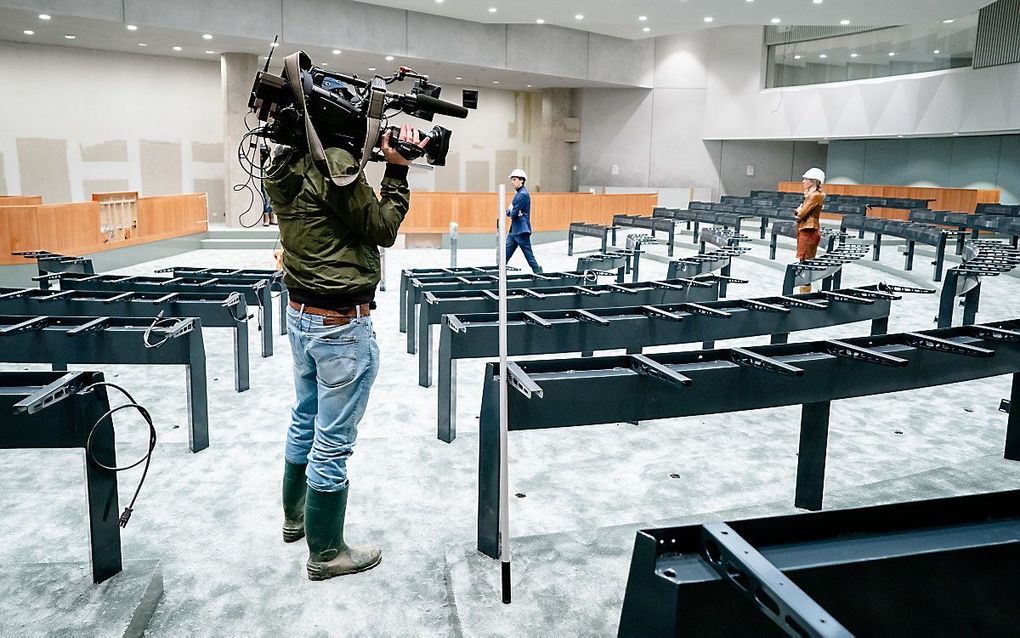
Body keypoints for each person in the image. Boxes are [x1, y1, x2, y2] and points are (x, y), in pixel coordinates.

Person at [264, 124, 428, 581]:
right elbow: (382, 228)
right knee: (332, 438)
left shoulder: (282, 159)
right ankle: (327, 551)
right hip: (338, 325)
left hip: (300, 314)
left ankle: (295, 520)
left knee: (304, 417)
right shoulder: (332, 163)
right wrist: (396, 170)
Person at [504, 168, 542, 273]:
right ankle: (498, 274)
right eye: (512, 179)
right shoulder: (519, 194)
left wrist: (512, 211)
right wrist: (512, 211)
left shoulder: (522, 194)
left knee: (529, 256)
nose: (512, 182)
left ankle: (539, 273)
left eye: (515, 179)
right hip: (515, 230)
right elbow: (510, 212)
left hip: (521, 231)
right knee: (504, 256)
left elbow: (512, 213)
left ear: (522, 180)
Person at [795, 167, 826, 293]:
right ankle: (804, 290)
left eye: (806, 179)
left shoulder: (814, 196)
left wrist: (798, 210)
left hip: (809, 231)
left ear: (813, 181)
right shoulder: (811, 196)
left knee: (806, 262)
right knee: (803, 261)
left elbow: (801, 213)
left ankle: (805, 292)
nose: (803, 181)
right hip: (805, 229)